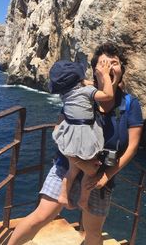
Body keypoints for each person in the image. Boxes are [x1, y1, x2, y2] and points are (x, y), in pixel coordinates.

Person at [7, 42, 143, 245]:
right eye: (103, 63)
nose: (108, 67)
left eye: (114, 63)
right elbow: (60, 132)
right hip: (67, 165)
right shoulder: (82, 96)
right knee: (40, 216)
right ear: (95, 70)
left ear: (122, 69)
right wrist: (80, 163)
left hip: (101, 174)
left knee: (93, 232)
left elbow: (132, 147)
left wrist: (106, 176)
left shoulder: (130, 104)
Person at [48, 60, 114, 210]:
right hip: (85, 137)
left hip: (71, 136)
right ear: (78, 80)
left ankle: (63, 195)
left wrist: (84, 81)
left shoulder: (66, 95)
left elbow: (80, 87)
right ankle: (83, 200)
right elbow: (108, 95)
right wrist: (105, 75)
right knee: (90, 172)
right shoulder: (86, 92)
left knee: (72, 170)